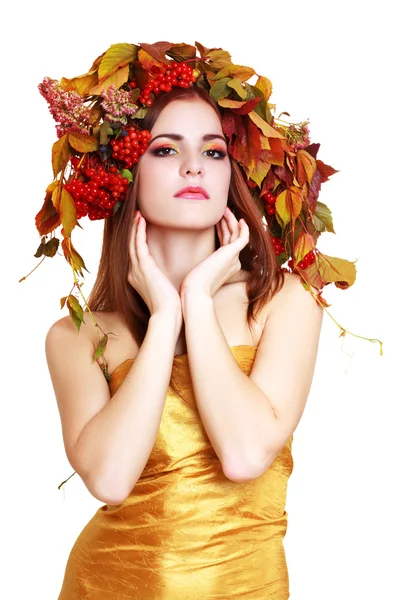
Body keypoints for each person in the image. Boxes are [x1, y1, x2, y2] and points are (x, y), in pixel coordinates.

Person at [40, 41, 341, 599]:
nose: (192, 167)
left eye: (214, 151)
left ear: (234, 170)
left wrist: (198, 300)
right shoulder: (78, 336)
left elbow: (246, 455)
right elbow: (109, 478)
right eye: (162, 150)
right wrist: (163, 321)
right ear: (124, 170)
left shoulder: (283, 301)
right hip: (107, 583)